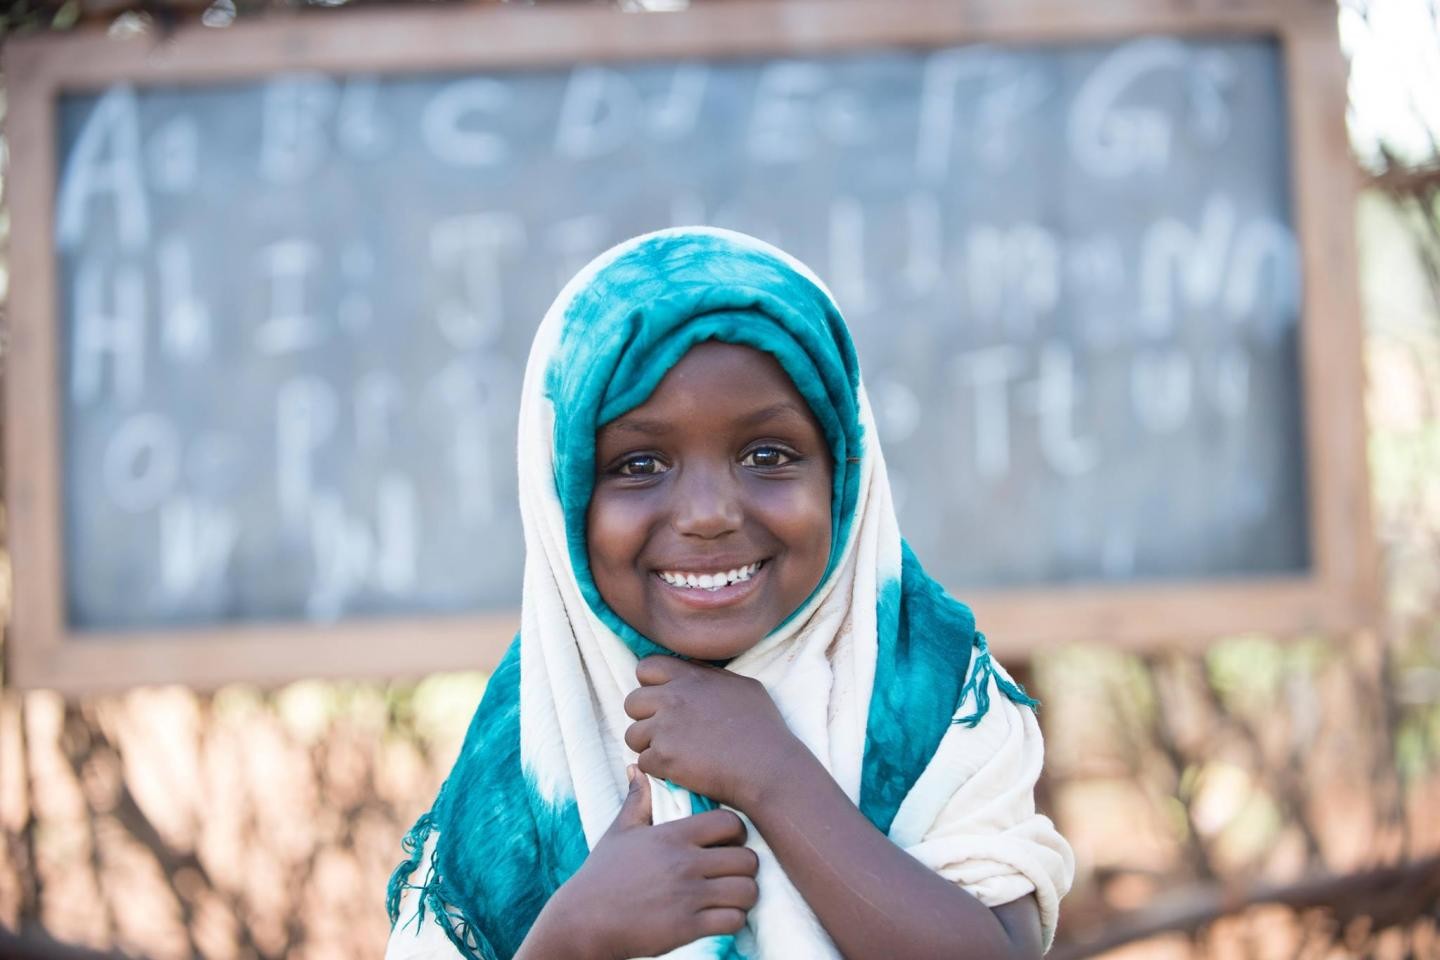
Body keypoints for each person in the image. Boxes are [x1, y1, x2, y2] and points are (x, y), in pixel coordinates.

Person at [385, 227, 1075, 960]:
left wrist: (773, 775)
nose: (709, 513)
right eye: (639, 463)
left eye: (768, 455)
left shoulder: (931, 694)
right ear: (564, 494)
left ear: (845, 472)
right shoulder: (528, 747)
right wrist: (570, 936)